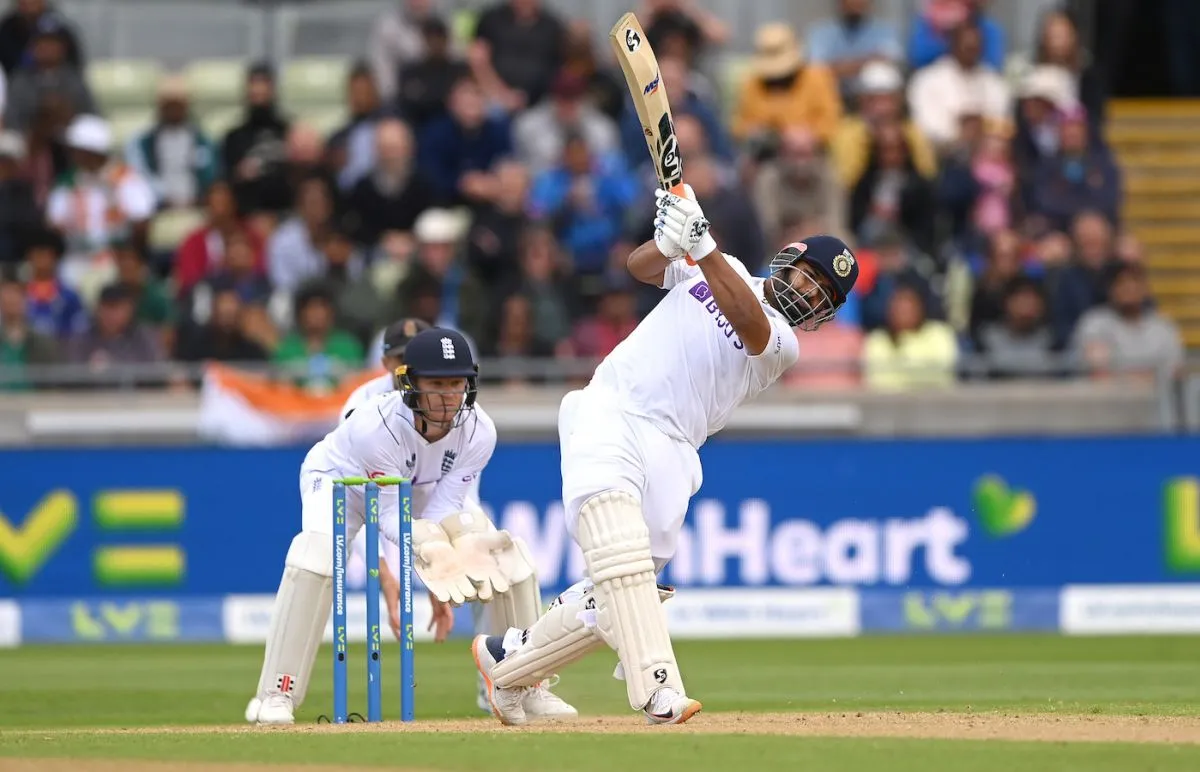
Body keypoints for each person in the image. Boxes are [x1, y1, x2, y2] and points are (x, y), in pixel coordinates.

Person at [471, 188, 859, 725]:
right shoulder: (718, 268)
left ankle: (506, 664)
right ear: (789, 259)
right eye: (810, 277)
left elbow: (748, 321)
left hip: (675, 450)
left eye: (824, 295)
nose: (811, 294)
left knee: (617, 597)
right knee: (620, 553)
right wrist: (668, 241)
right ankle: (659, 691)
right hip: (614, 408)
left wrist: (703, 246)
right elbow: (638, 268)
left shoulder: (781, 343)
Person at [246, 327, 575, 725]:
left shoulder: (480, 431)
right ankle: (277, 693)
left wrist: (449, 551)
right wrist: (426, 548)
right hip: (340, 482)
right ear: (409, 384)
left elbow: (445, 506)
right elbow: (386, 515)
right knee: (314, 558)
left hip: (419, 484)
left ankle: (523, 684)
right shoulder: (375, 427)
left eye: (456, 384)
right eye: (436, 384)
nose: (447, 396)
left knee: (508, 559)